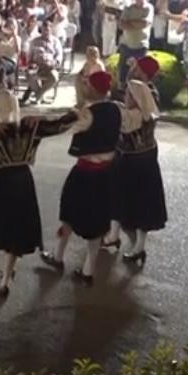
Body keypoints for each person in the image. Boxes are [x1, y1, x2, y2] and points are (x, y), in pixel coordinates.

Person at [40, 71, 145, 286]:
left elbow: (61, 126)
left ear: (93, 89)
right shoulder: (117, 110)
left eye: (87, 84)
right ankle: (87, 270)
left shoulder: (87, 114)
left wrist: (34, 126)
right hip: (106, 174)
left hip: (84, 173)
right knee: (98, 221)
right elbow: (134, 121)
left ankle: (58, 257)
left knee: (68, 213)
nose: (84, 86)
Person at [0, 90, 78, 295]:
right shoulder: (30, 125)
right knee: (18, 225)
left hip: (2, 180)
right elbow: (60, 124)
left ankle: (6, 277)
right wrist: (45, 117)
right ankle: (7, 274)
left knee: (6, 225)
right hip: (23, 178)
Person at [106, 79, 166, 266]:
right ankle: (115, 235)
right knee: (118, 198)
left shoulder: (134, 116)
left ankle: (138, 247)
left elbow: (121, 121)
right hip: (138, 163)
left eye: (129, 94)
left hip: (136, 164)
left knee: (139, 205)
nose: (125, 96)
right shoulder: (149, 114)